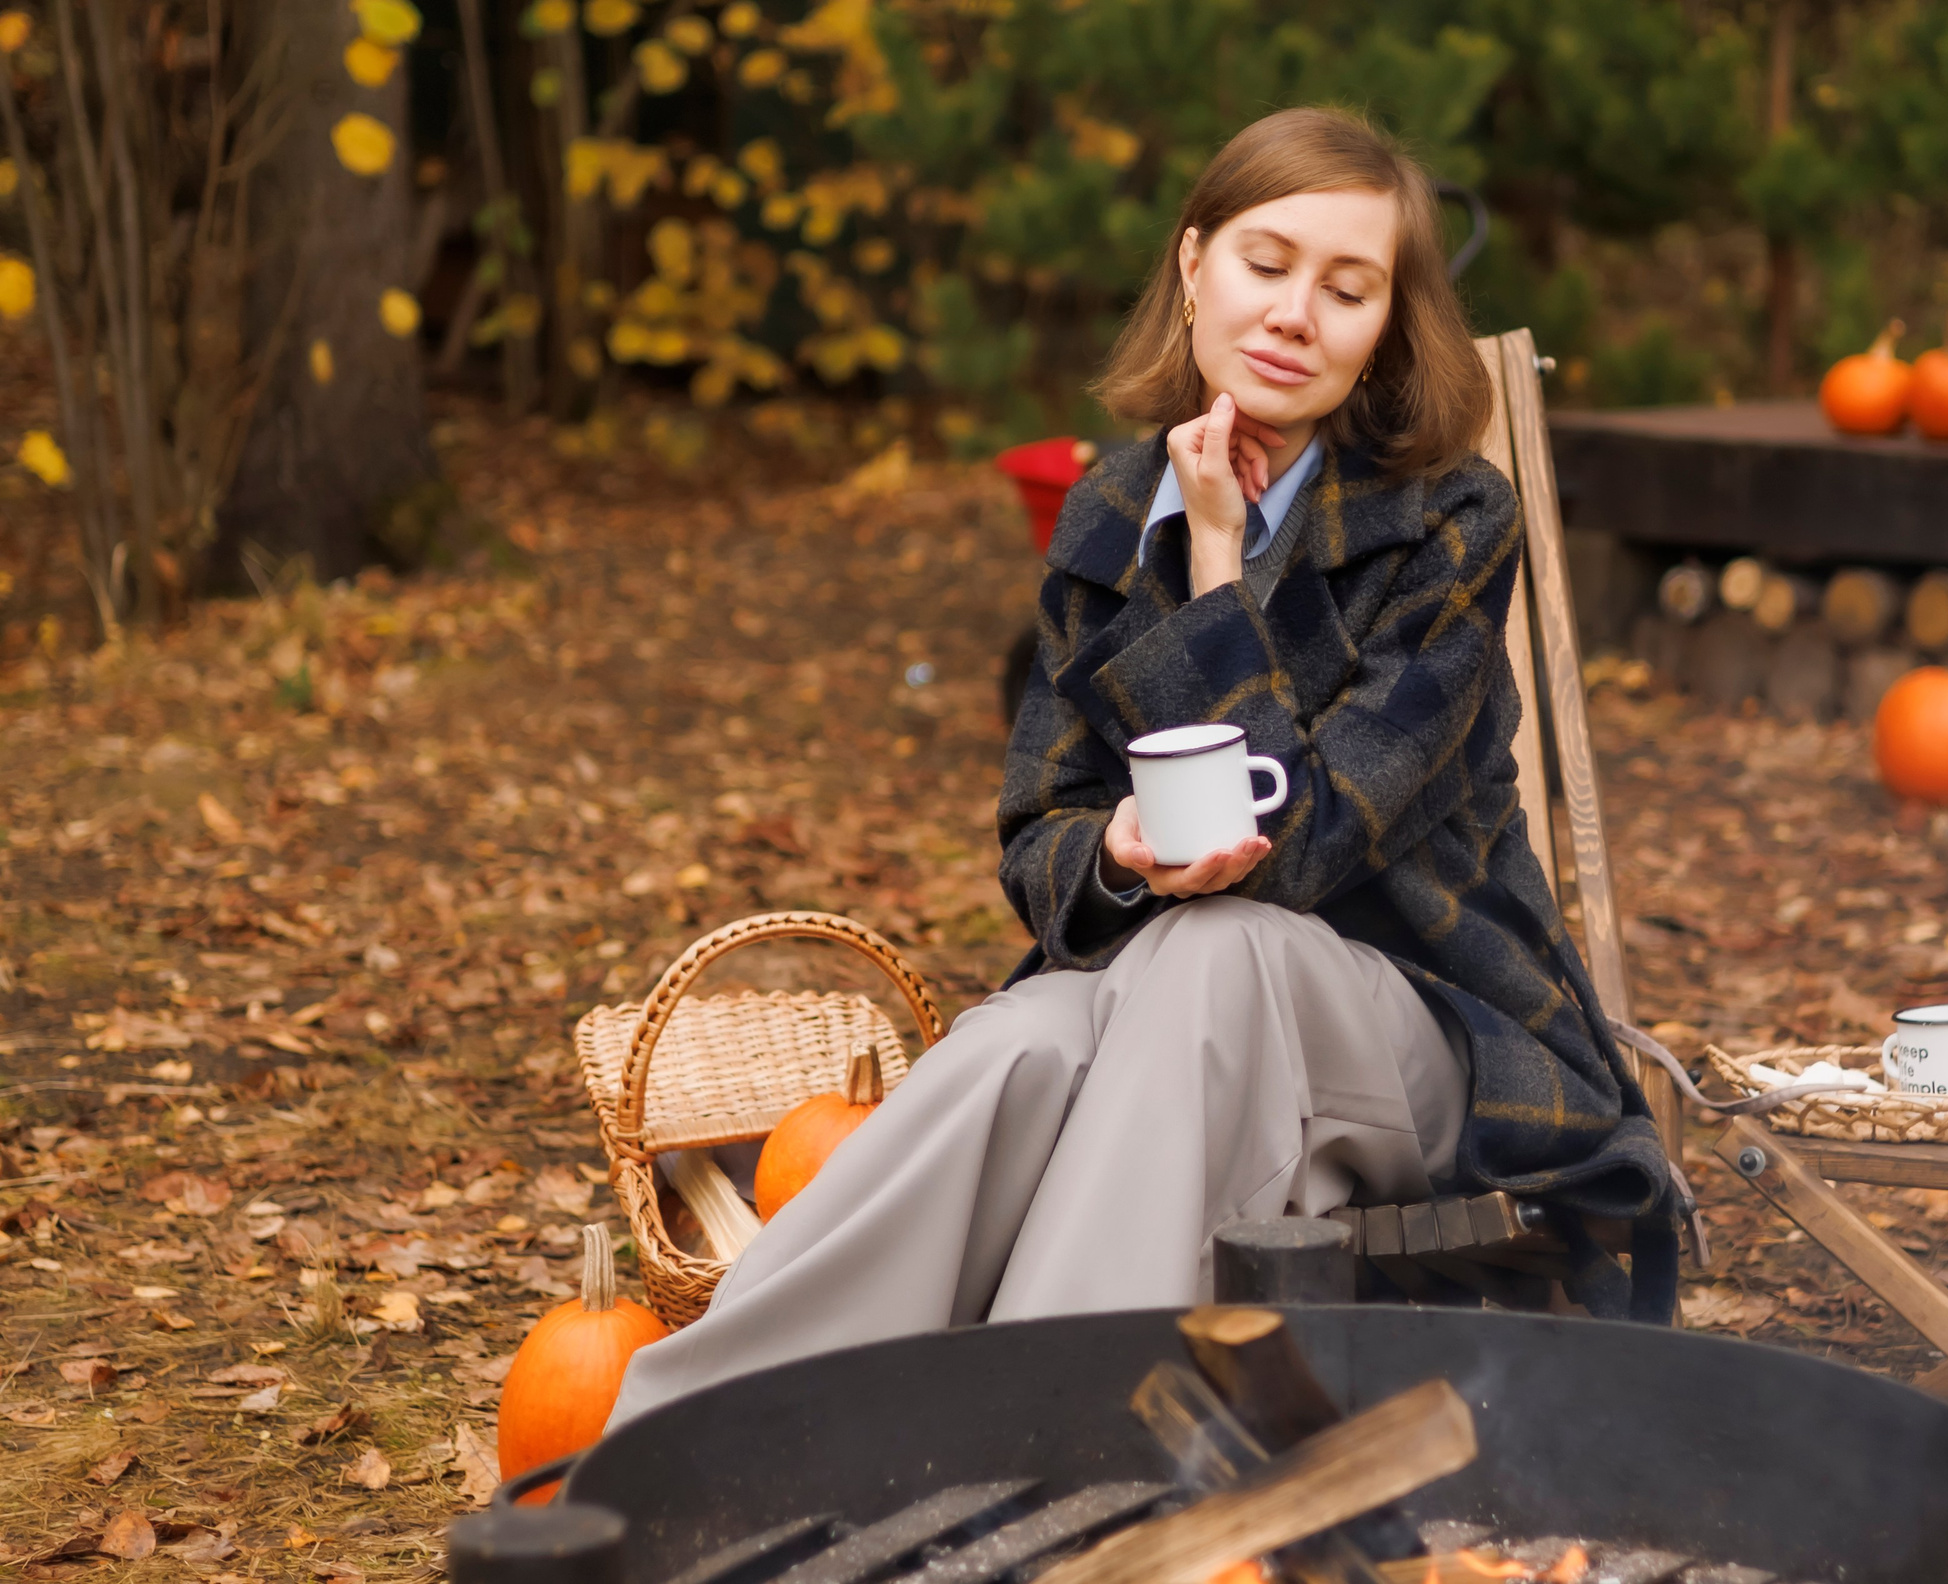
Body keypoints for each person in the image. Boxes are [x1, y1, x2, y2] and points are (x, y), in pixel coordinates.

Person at [608, 106, 1683, 1427]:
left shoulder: (1450, 524)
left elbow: (1311, 846)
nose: (1296, 312)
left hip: (1430, 1028)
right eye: (1264, 263)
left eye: (1348, 290)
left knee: (1215, 947)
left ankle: (1050, 1453)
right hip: (1168, 1016)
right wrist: (1111, 854)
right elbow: (1039, 829)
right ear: (1191, 270)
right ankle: (683, 1442)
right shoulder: (1111, 510)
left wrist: (1222, 568)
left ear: (1388, 330)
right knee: (1018, 1045)